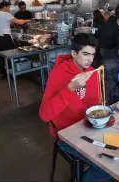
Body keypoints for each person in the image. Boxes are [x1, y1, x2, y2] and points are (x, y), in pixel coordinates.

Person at [39, 33, 112, 182]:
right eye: (85, 54)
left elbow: (96, 104)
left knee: (116, 156)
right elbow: (44, 114)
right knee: (107, 168)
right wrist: (70, 89)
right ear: (73, 53)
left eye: (92, 54)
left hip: (89, 127)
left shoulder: (91, 71)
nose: (90, 59)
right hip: (65, 134)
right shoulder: (58, 73)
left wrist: (103, 117)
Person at [0, 1, 31, 78]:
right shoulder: (6, 14)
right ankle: (13, 74)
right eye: (8, 7)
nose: (9, 9)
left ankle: (3, 74)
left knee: (1, 57)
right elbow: (19, 22)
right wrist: (27, 20)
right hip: (5, 37)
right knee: (11, 55)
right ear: (4, 7)